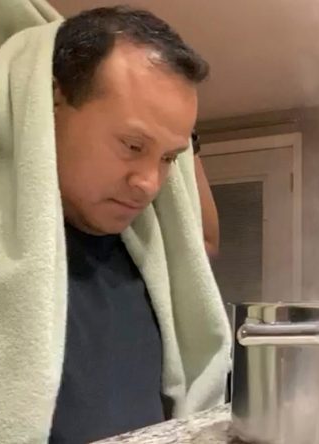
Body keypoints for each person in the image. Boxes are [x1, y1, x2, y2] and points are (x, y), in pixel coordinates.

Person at [48, 6, 220, 442]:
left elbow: (205, 243)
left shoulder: (154, 258)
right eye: (131, 145)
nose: (149, 185)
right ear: (53, 100)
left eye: (168, 159)